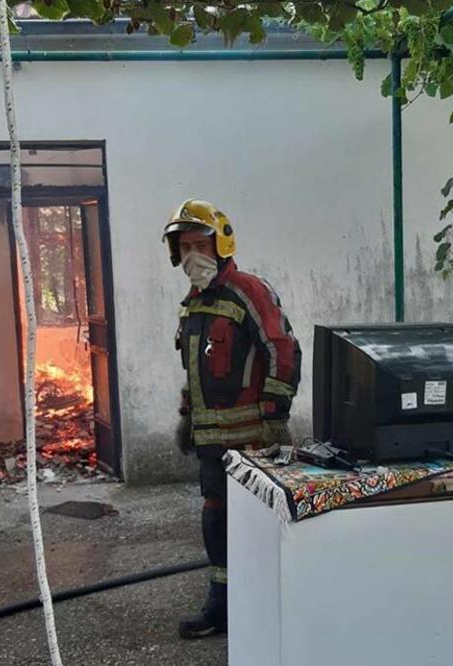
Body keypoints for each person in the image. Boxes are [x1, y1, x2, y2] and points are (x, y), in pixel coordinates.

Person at [163, 199, 301, 639]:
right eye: (183, 248)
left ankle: (268, 603)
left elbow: (282, 349)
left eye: (199, 245)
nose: (191, 257)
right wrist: (188, 416)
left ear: (220, 244)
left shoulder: (248, 291)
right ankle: (221, 605)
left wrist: (276, 415)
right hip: (212, 443)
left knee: (260, 524)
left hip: (253, 440)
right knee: (215, 519)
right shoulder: (194, 304)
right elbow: (196, 371)